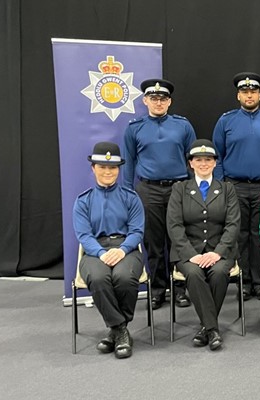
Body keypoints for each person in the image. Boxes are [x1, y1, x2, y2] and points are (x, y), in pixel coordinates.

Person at [122, 78, 196, 310]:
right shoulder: (135, 128)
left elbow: (193, 159)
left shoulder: (183, 126)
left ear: (169, 101)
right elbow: (129, 162)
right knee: (153, 242)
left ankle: (180, 288)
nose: (158, 102)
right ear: (145, 100)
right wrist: (127, 193)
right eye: (153, 98)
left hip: (178, 188)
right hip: (148, 189)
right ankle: (157, 288)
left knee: (179, 240)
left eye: (162, 99)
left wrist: (194, 189)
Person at [213, 72, 260, 301]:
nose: (249, 95)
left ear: (259, 95)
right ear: (238, 95)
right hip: (234, 186)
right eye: (245, 92)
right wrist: (223, 183)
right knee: (239, 236)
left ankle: (259, 281)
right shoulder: (226, 121)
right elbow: (217, 155)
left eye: (253, 91)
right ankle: (244, 283)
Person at [73, 142, 145, 359]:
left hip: (127, 249)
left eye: (112, 167)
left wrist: (122, 250)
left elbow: (137, 231)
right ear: (93, 168)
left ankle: (114, 331)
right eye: (102, 167)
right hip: (95, 251)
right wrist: (102, 253)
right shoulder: (83, 200)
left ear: (118, 170)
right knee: (98, 277)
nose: (107, 171)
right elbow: (84, 235)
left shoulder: (131, 197)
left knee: (124, 277)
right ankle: (120, 330)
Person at [166, 140, 239, 351]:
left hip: (220, 251)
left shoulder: (227, 189)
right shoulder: (179, 189)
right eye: (199, 159)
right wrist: (191, 254)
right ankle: (212, 329)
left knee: (218, 273)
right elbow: (174, 225)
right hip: (188, 253)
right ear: (191, 163)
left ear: (215, 163)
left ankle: (206, 328)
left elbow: (233, 225)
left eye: (208, 160)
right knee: (195, 274)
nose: (204, 163)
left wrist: (218, 253)